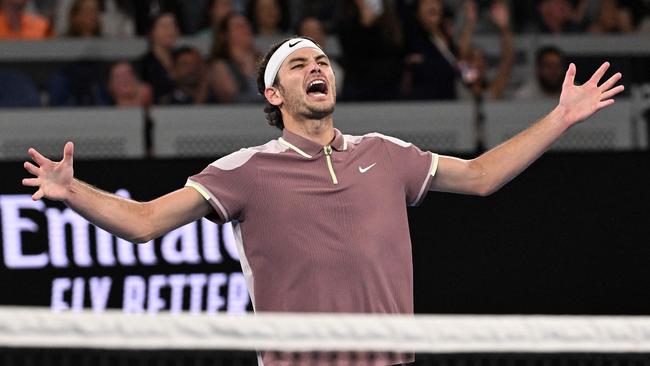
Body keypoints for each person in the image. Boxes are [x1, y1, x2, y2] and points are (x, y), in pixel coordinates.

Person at [23, 36, 624, 365]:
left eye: (322, 60)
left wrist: (562, 117)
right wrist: (72, 191)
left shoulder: (386, 153)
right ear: (273, 90)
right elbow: (147, 221)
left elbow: (482, 175)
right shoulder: (245, 169)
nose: (317, 67)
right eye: (298, 63)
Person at [207, 13, 262, 103]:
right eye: (239, 26)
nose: (247, 29)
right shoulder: (219, 66)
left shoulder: (263, 60)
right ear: (225, 35)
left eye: (248, 25)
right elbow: (233, 99)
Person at [136, 12, 179, 104]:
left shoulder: (182, 60)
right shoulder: (144, 64)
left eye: (173, 25)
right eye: (164, 26)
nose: (170, 30)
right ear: (151, 32)